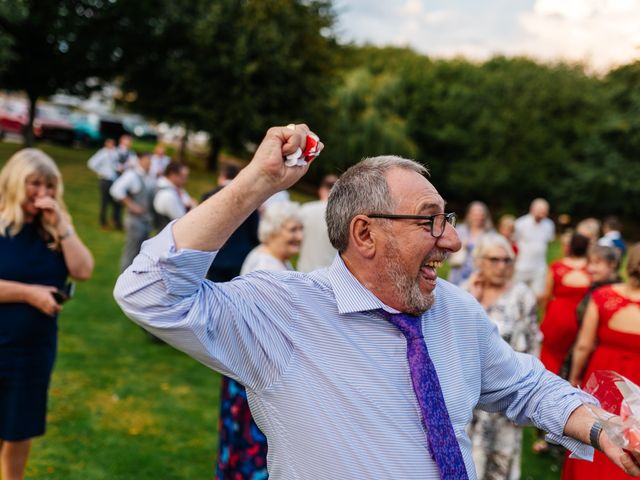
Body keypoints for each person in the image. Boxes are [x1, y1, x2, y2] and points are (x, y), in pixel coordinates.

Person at [114, 124, 640, 479]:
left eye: (448, 220)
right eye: (429, 221)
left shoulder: (455, 310)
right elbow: (149, 292)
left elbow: (523, 384)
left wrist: (603, 427)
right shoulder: (284, 310)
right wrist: (257, 184)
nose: (452, 241)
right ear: (365, 234)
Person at [0, 149, 94, 480]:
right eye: (35, 184)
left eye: (50, 185)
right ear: (14, 183)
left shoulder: (52, 229)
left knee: (18, 430)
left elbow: (83, 270)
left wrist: (63, 227)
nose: (44, 193)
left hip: (33, 349)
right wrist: (29, 293)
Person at [217, 201, 303, 480]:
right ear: (274, 230)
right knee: (253, 443)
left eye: (301, 229)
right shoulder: (267, 268)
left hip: (249, 366)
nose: (299, 236)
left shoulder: (271, 258)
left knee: (243, 441)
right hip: (255, 372)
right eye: (292, 229)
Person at [463, 233, 539, 480]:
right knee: (466, 460)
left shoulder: (521, 295)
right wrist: (473, 299)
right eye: (494, 260)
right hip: (467, 397)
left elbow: (532, 344)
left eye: (507, 260)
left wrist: (528, 397)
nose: (502, 266)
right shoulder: (464, 292)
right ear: (479, 261)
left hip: (506, 396)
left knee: (501, 465)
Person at [563, 244, 640, 480]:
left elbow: (583, 345)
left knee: (595, 429)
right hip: (634, 384)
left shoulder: (602, 296)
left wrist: (574, 378)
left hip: (602, 378)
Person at [539, 233, 592, 375]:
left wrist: (545, 314)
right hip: (581, 317)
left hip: (557, 315)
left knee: (549, 354)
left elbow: (547, 295)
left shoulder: (557, 266)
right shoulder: (591, 271)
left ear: (570, 246)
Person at [202, 164, 260, 282]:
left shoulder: (208, 196)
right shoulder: (250, 198)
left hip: (215, 255)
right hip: (240, 256)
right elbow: (254, 229)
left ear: (222, 176)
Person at [110, 152, 156, 272]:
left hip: (146, 221)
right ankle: (123, 281)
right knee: (130, 253)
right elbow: (116, 190)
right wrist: (131, 205)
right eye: (147, 160)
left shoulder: (149, 176)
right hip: (135, 221)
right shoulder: (132, 175)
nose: (150, 163)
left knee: (141, 254)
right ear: (140, 160)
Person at [513, 198, 555, 299]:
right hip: (521, 266)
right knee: (517, 295)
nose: (542, 214)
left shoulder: (549, 224)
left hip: (539, 267)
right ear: (532, 209)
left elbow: (548, 242)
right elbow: (514, 243)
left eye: (545, 211)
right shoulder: (520, 223)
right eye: (540, 211)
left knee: (536, 296)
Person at [296, 174, 338, 272]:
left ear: (321, 190)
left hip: (304, 270)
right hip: (329, 275)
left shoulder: (305, 210)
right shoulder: (344, 216)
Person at [448, 201, 493, 286]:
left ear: (485, 216)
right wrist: (460, 247)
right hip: (457, 275)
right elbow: (447, 252)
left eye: (481, 214)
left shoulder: (490, 234)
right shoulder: (459, 230)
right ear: (469, 215)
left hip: (479, 277)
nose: (478, 217)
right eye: (475, 214)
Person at [86, 138, 122, 229]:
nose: (112, 145)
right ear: (106, 144)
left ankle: (115, 220)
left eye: (113, 143)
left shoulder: (114, 153)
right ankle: (103, 222)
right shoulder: (102, 153)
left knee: (116, 202)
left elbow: (115, 164)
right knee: (104, 202)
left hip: (114, 180)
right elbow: (91, 163)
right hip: (105, 180)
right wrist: (100, 172)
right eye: (110, 143)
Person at [152, 162, 196, 230]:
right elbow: (181, 219)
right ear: (173, 175)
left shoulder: (175, 187)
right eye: (183, 177)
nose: (186, 181)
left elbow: (187, 199)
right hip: (170, 234)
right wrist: (192, 207)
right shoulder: (167, 195)